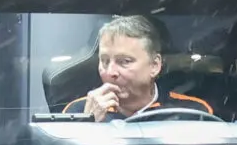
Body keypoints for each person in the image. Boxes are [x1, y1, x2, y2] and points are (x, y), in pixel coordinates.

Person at [64, 16, 216, 120]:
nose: (110, 72)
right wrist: (87, 127)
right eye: (104, 61)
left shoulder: (192, 113)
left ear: (155, 65)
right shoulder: (79, 111)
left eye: (124, 61)